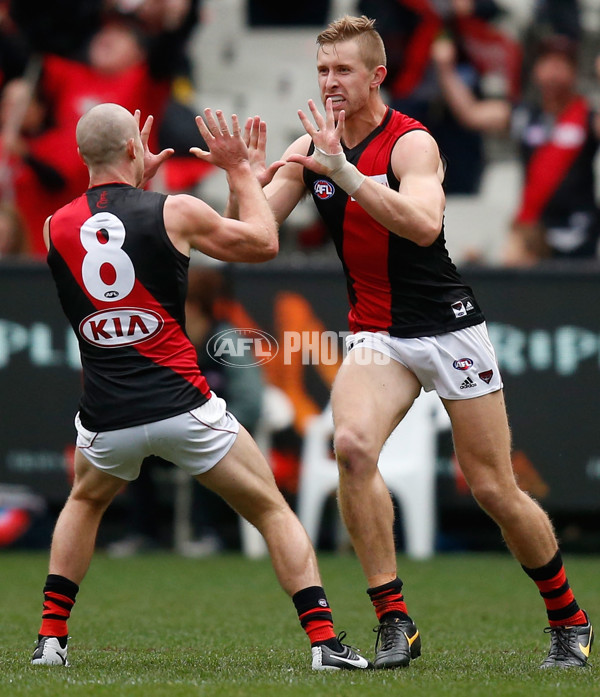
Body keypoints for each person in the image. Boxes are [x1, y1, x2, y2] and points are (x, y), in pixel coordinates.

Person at [232, 15, 593, 669]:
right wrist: (241, 176)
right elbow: (254, 236)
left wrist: (344, 173)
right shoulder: (311, 146)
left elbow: (424, 226)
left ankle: (569, 618)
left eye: (342, 70)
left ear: (377, 76)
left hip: (447, 325)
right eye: (322, 71)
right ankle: (394, 619)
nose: (330, 82)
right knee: (350, 447)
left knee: (493, 487)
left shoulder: (411, 143)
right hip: (377, 334)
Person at [29, 102, 370, 672]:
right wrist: (239, 170)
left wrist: (134, 180)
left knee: (83, 504)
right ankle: (324, 643)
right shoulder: (177, 210)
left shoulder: (52, 226)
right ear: (136, 150)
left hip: (106, 415)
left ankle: (50, 641)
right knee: (271, 511)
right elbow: (262, 243)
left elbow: (114, 229)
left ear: (81, 156)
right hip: (182, 405)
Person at [431, 33, 600, 264]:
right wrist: (445, 69)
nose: (553, 71)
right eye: (547, 62)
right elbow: (471, 113)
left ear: (574, 71)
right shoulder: (524, 115)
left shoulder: (588, 117)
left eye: (562, 63)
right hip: (532, 233)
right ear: (535, 69)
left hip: (578, 234)